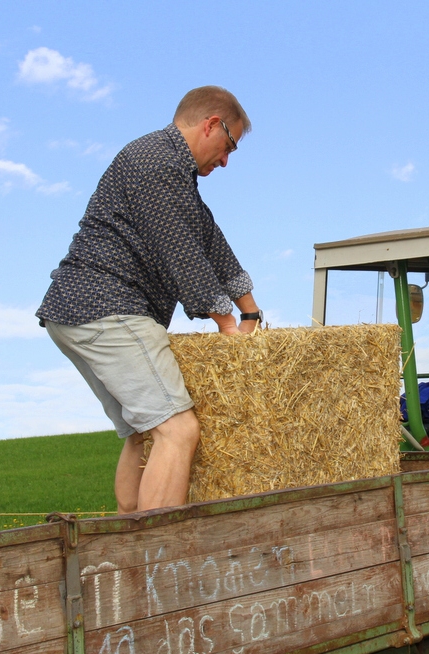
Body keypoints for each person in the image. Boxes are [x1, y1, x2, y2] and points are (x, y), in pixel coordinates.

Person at [36, 86, 262, 514]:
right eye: (229, 145)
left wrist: (250, 308)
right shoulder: (156, 163)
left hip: (76, 311)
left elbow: (208, 238)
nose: (225, 161)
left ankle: (127, 535)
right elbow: (180, 251)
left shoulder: (168, 167)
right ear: (212, 125)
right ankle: (156, 550)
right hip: (106, 307)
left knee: (142, 433)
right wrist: (227, 324)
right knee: (177, 430)